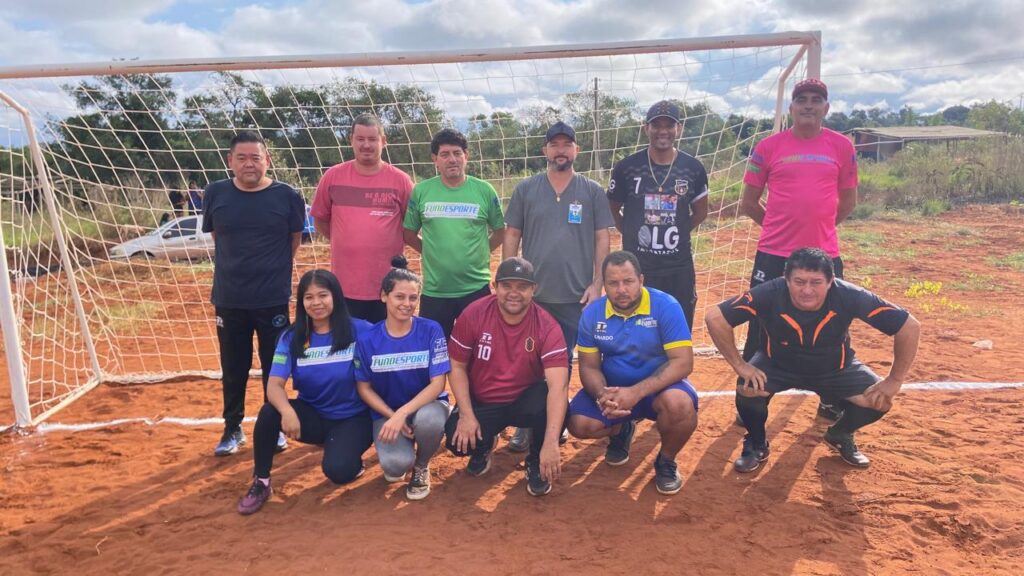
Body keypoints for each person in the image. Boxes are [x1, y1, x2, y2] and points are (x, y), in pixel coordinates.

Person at [705, 248, 920, 472]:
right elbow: (715, 317)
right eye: (799, 281)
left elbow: (909, 326)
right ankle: (756, 443)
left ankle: (840, 433)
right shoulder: (769, 292)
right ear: (786, 279)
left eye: (816, 282)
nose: (807, 290)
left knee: (880, 400)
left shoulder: (849, 295)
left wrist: (894, 380)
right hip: (777, 364)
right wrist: (740, 366)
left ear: (831, 281)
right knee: (748, 387)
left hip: (835, 369)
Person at [739, 78, 859, 422]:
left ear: (826, 108)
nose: (808, 105)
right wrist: (779, 230)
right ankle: (749, 397)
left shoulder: (842, 147)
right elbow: (748, 202)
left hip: (824, 256)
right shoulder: (767, 147)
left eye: (816, 100)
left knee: (832, 326)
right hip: (774, 253)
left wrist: (818, 231)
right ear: (790, 108)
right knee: (759, 321)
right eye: (802, 99)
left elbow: (848, 201)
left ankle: (831, 398)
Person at [502, 121, 614, 452]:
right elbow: (511, 235)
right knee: (527, 361)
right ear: (545, 151)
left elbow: (602, 236)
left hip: (576, 296)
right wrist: (510, 280)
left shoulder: (591, 190)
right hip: (533, 296)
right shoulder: (526, 189)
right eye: (555, 144)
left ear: (576, 150)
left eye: (567, 144)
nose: (561, 150)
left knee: (563, 361)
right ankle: (526, 423)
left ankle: (556, 419)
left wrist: (597, 283)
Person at [237, 270, 373, 515]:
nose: (316, 303)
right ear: (301, 303)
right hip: (314, 415)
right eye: (309, 297)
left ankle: (349, 456)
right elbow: (274, 385)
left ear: (336, 297)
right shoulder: (292, 337)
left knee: (339, 471)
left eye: (323, 295)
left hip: (353, 418)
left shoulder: (360, 331)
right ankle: (261, 482)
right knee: (269, 412)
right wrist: (287, 410)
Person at [203, 130, 305, 457]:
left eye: (256, 157)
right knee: (234, 366)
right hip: (229, 297)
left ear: (267, 160)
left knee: (274, 366)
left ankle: (271, 426)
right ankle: (232, 428)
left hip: (272, 297)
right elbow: (220, 237)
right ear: (230, 161)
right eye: (242, 158)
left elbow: (293, 241)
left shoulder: (287, 196)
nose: (250, 164)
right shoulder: (215, 193)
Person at [567, 251, 698, 496]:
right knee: (579, 424)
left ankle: (666, 461)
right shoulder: (592, 314)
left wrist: (636, 393)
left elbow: (683, 363)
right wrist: (602, 395)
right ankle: (622, 428)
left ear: (641, 279)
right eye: (613, 283)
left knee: (680, 406)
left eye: (628, 281)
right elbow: (589, 366)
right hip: (616, 391)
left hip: (658, 390)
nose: (621, 289)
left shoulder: (666, 306)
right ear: (604, 285)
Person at [444, 257, 569, 497]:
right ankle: (484, 443)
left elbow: (558, 386)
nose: (514, 293)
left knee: (554, 402)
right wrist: (467, 416)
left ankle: (535, 459)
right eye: (507, 286)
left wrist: (551, 443)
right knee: (455, 440)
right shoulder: (474, 313)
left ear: (533, 289)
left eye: (522, 287)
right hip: (484, 399)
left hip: (524, 400)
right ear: (495, 286)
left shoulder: (547, 325)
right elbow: (457, 365)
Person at [607, 100, 709, 331]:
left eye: (669, 125)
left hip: (678, 266)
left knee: (677, 329)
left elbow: (701, 212)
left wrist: (679, 230)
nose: (663, 131)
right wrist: (631, 232)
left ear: (678, 128)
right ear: (647, 129)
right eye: (656, 125)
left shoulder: (692, 168)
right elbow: (612, 207)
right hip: (638, 266)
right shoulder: (628, 168)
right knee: (636, 329)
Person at [354, 257, 450, 501]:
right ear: (384, 296)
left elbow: (438, 383)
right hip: (387, 411)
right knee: (395, 466)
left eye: (413, 298)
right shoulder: (367, 339)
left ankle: (421, 465)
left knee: (429, 421)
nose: (407, 304)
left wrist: (402, 414)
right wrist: (391, 415)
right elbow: (363, 388)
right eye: (399, 297)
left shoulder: (431, 329)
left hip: (426, 405)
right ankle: (403, 457)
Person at [311, 113, 413, 323]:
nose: (366, 145)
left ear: (383, 141)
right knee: (349, 346)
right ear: (351, 141)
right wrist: (347, 240)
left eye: (372, 139)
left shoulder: (401, 181)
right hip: (344, 286)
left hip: (388, 286)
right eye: (360, 139)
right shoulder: (332, 176)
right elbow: (320, 219)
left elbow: (410, 225)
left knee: (384, 347)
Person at [403, 128, 505, 338]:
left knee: (479, 354)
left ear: (466, 156)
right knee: (436, 353)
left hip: (476, 289)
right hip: (435, 291)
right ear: (435, 159)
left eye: (457, 153)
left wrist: (482, 252)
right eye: (445, 154)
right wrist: (431, 251)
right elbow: (409, 233)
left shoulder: (484, 191)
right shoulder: (421, 191)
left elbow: (500, 231)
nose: (452, 160)